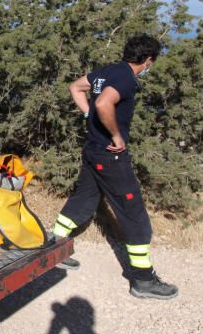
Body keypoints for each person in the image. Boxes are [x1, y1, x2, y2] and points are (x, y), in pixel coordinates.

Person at [53, 35, 179, 299]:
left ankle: (54, 247)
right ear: (147, 60)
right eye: (150, 63)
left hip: (92, 150)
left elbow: (75, 87)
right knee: (133, 213)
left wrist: (89, 115)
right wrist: (116, 135)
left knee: (84, 199)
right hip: (111, 156)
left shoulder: (106, 71)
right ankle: (143, 280)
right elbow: (103, 102)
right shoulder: (125, 78)